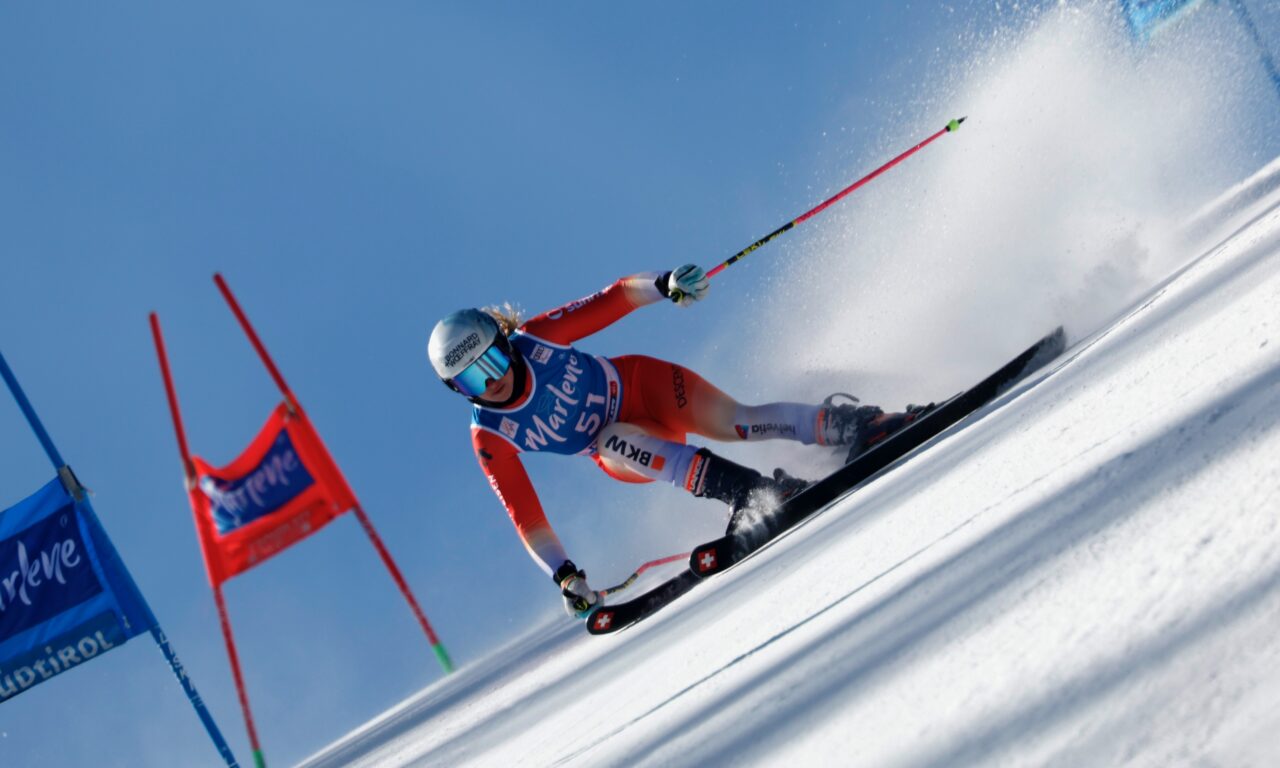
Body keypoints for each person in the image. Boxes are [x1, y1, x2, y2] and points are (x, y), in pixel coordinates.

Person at [427, 265, 927, 618]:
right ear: (456, 392)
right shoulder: (491, 436)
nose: (491, 383)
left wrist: (663, 285)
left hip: (644, 385)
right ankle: (747, 492)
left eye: (492, 362)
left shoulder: (538, 340)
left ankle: (860, 425)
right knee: (613, 440)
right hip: (626, 449)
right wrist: (565, 576)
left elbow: (612, 299)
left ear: (505, 343)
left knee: (741, 422)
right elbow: (526, 517)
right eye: (472, 381)